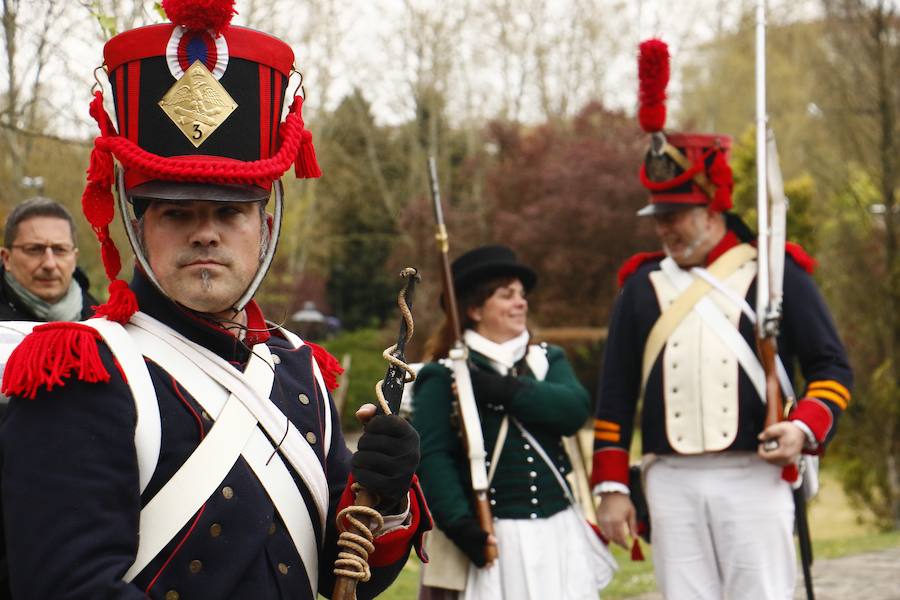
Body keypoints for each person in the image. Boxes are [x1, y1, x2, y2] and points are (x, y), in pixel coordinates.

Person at [0, 3, 429, 599]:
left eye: (230, 212)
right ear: (138, 223)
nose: (206, 232)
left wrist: (382, 502)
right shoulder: (84, 372)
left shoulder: (297, 367)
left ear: (265, 224)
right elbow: (66, 587)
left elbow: (348, 577)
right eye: (177, 212)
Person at [591, 39, 852, 600]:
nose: (664, 228)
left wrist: (803, 425)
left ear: (713, 206)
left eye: (676, 215)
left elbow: (831, 368)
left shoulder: (775, 271)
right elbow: (614, 396)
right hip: (669, 478)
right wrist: (612, 485)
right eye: (659, 215)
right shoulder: (641, 285)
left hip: (753, 474)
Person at [413, 245, 615, 600]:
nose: (521, 303)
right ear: (474, 309)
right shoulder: (441, 376)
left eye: (521, 295)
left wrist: (504, 389)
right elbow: (433, 458)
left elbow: (573, 411)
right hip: (493, 534)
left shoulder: (546, 358)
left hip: (560, 529)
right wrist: (462, 526)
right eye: (507, 295)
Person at [0, 196, 96, 322]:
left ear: (74, 258)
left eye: (60, 250)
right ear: (6, 258)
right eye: (34, 249)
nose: (49, 264)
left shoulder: (103, 325)